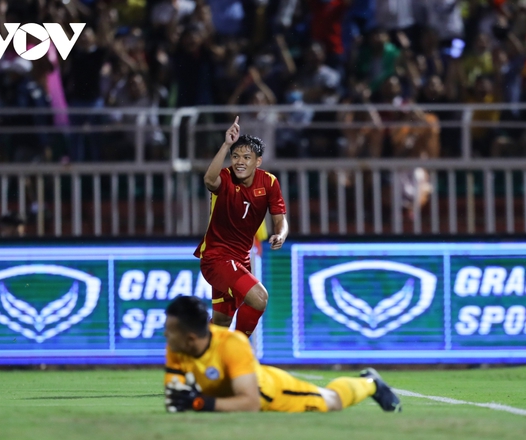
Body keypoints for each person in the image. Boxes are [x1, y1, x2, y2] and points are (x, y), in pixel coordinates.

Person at [163, 295, 402, 413]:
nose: (166, 335)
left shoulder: (231, 343)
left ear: (191, 337)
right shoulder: (177, 346)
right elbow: (174, 398)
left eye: (170, 331)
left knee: (332, 401)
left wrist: (200, 402)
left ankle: (370, 383)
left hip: (271, 392)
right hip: (237, 387)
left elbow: (251, 403)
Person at [194, 117, 288, 337]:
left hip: (240, 260)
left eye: (247, 157)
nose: (239, 162)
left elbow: (279, 218)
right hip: (216, 258)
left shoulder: (269, 183)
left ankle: (195, 357)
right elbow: (209, 180)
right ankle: (241, 350)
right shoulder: (225, 178)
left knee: (220, 324)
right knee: (259, 298)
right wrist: (226, 144)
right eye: (235, 156)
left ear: (258, 161)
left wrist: (280, 234)